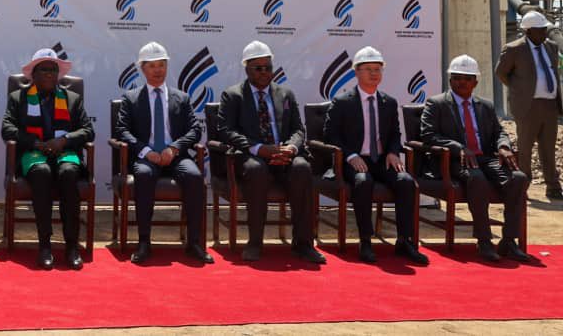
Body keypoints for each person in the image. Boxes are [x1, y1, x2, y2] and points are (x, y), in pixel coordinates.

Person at [220, 41, 325, 263]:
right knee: (256, 170)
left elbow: (298, 129)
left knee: (302, 167)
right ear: (247, 69)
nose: (264, 72)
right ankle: (255, 243)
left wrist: (291, 148)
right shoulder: (233, 95)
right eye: (258, 68)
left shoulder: (285, 94)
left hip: (284, 155)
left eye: (268, 67)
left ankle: (303, 244)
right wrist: (259, 149)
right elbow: (226, 130)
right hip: (252, 156)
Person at [421, 54, 533, 263]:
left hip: (485, 158)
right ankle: (484, 241)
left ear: (475, 82)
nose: (461, 82)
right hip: (455, 160)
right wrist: (458, 148)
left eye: (467, 78)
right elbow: (428, 136)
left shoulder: (486, 105)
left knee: (518, 178)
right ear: (450, 80)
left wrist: (503, 146)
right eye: (457, 78)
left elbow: (499, 132)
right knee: (477, 178)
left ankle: (509, 241)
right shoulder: (436, 104)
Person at [323, 46, 428, 265]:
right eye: (368, 69)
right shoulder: (343, 102)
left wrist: (393, 152)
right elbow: (331, 135)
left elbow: (395, 133)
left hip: (381, 160)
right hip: (354, 160)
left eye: (378, 69)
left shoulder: (388, 102)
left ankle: (405, 240)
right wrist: (350, 156)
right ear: (356, 72)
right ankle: (365, 241)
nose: (374, 74)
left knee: (405, 181)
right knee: (363, 181)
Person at [116, 41, 213, 264]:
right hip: (146, 156)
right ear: (142, 69)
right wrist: (146, 151)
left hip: (175, 155)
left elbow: (195, 130)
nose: (158, 70)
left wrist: (175, 147)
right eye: (152, 66)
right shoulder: (131, 98)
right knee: (143, 175)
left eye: (161, 65)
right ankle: (144, 242)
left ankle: (194, 243)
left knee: (194, 176)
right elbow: (122, 130)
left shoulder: (182, 97)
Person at [2, 48, 93, 269]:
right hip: (34, 152)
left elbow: (88, 131)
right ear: (33, 74)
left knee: (68, 172)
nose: (50, 74)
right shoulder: (19, 98)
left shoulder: (72, 99)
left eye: (53, 70)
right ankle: (44, 245)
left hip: (64, 151)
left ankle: (71, 245)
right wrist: (35, 143)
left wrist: (64, 141)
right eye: (44, 70)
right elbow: (7, 128)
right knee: (41, 172)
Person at [495, 10, 562, 200]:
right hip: (527, 106)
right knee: (525, 149)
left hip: (549, 105)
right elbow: (501, 72)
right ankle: (522, 185)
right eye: (540, 30)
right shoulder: (514, 49)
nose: (544, 33)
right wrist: (519, 90)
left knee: (548, 148)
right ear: (528, 31)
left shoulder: (551, 47)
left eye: (544, 29)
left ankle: (553, 187)